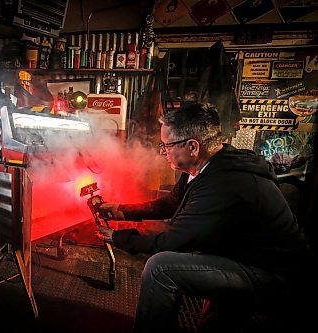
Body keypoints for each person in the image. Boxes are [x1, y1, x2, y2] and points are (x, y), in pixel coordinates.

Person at [96, 103, 317, 333]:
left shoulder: (225, 183)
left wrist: (119, 237)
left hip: (275, 275)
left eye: (167, 145)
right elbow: (172, 202)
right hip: (246, 256)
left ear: (192, 146)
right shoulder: (205, 166)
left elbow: (173, 242)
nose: (163, 152)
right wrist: (123, 209)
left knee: (160, 268)